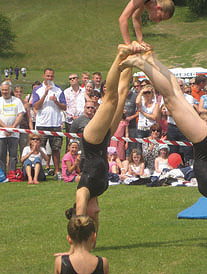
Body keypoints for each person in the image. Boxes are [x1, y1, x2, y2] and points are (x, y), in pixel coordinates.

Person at [120, 51, 207, 260]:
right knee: (171, 98)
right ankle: (142, 65)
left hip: (204, 140)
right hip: (202, 140)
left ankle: (151, 59)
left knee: (176, 95)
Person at [66, 45, 135, 233]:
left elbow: (79, 220)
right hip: (103, 141)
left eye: (93, 213)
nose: (97, 211)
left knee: (110, 99)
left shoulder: (83, 191)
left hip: (91, 141)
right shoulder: (98, 190)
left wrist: (74, 249)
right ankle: (130, 61)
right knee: (122, 96)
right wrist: (92, 241)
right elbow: (93, 221)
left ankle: (120, 55)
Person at [33, 68, 67, 180]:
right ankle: (39, 171)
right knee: (39, 148)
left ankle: (57, 171)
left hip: (55, 124)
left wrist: (56, 101)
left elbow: (64, 107)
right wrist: (45, 94)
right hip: (42, 123)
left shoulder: (58, 89)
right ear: (44, 76)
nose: (49, 78)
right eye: (47, 76)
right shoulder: (38, 90)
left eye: (51, 76)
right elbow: (36, 106)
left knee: (56, 149)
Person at [0, 81, 25, 175]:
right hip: (2, 134)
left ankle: (12, 173)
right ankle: (2, 174)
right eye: (2, 90)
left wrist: (12, 128)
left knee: (13, 155)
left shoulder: (16, 101)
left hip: (14, 133)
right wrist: (6, 128)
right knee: (1, 155)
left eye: (6, 90)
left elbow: (20, 114)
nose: (4, 92)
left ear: (10, 90)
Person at [64, 74, 85, 151]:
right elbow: (65, 107)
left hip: (82, 120)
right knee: (70, 142)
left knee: (82, 141)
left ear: (78, 79)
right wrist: (72, 116)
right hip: (70, 121)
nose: (72, 80)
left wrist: (81, 117)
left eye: (74, 78)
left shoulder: (84, 91)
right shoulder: (66, 92)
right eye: (70, 79)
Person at [14, 85, 33, 159]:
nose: (19, 93)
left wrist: (31, 130)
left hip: (24, 129)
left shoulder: (26, 104)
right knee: (12, 151)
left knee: (24, 149)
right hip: (14, 129)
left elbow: (29, 118)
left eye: (20, 92)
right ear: (14, 92)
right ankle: (11, 169)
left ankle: (24, 168)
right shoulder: (11, 103)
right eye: (17, 92)